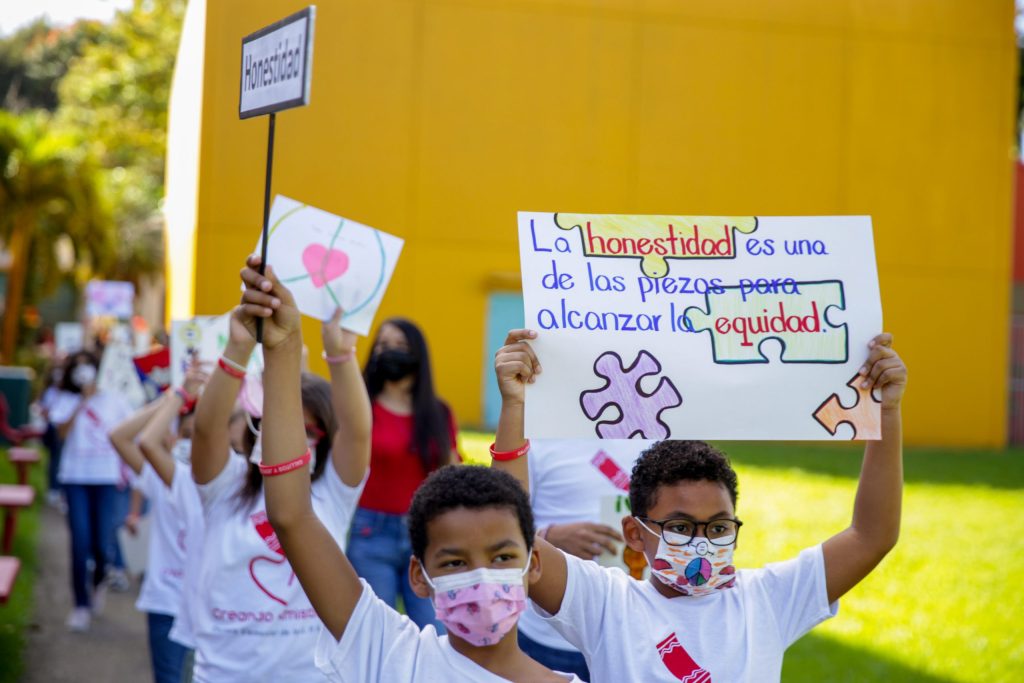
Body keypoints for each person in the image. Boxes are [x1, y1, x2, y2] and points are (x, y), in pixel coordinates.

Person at [490, 328, 908, 682]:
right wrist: (514, 406)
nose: (702, 542)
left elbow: (871, 536)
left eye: (719, 527)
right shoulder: (606, 606)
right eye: (681, 527)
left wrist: (886, 413)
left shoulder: (768, 600)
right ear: (635, 533)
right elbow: (510, 541)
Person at [239, 256, 580, 682]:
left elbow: (510, 512)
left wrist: (515, 404)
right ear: (419, 575)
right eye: (455, 563)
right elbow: (291, 516)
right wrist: (284, 349)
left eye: (502, 557)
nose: (482, 577)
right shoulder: (391, 654)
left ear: (534, 565)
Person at [187, 282, 370, 682]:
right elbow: (205, 430)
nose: (297, 442)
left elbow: (357, 433)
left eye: (312, 430)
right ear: (258, 425)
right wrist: (238, 347)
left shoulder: (332, 493)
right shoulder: (225, 485)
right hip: (223, 674)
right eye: (286, 425)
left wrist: (340, 355)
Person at [347, 316, 459, 628]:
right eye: (383, 345)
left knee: (435, 632)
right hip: (369, 533)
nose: (390, 352)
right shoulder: (361, 407)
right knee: (379, 631)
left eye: (400, 345)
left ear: (417, 354)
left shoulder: (438, 412)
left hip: (425, 533)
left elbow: (451, 470)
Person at [517, 437, 652, 681]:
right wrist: (549, 537)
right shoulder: (538, 440)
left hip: (639, 631)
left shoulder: (662, 434)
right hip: (551, 634)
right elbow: (504, 524)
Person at [109, 362, 206, 683]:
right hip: (167, 601)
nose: (194, 443)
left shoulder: (233, 483)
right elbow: (119, 437)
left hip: (212, 606)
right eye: (187, 435)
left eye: (202, 436)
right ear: (173, 437)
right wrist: (175, 397)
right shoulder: (166, 476)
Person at [47, 350, 133, 631]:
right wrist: (82, 401)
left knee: (101, 544)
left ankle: (98, 584)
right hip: (75, 478)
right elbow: (60, 434)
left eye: (88, 367)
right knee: (79, 542)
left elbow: (131, 431)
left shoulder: (114, 400)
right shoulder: (66, 399)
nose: (83, 372)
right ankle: (80, 604)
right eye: (78, 368)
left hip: (106, 479)